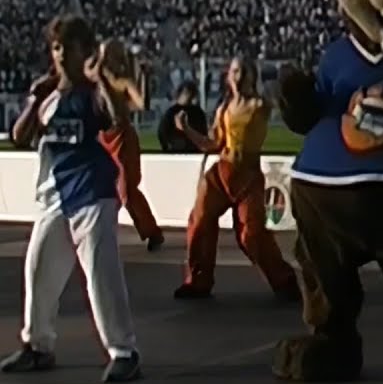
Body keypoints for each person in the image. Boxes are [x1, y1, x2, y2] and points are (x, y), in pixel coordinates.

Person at [0, 14, 142, 383]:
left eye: (71, 48)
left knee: (100, 275)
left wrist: (103, 82)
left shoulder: (93, 93)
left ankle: (123, 351)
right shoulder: (46, 95)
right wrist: (35, 98)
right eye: (57, 47)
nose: (62, 55)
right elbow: (19, 135)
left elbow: (118, 121)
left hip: (92, 194)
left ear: (86, 52)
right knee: (39, 270)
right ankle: (38, 346)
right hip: (54, 198)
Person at [172, 56, 299, 301]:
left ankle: (284, 281)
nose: (238, 77)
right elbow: (213, 144)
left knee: (250, 236)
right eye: (234, 72)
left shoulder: (260, 105)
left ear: (252, 76)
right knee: (199, 222)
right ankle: (197, 281)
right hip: (222, 173)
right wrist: (187, 131)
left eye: (243, 72)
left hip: (248, 177)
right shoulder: (224, 110)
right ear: (228, 77)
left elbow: (281, 100)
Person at [96, 40, 165, 252]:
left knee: (126, 191)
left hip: (122, 139)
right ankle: (100, 233)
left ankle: (152, 231)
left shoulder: (122, 82)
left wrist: (144, 76)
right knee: (100, 189)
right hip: (101, 138)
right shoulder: (93, 83)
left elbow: (141, 103)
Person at [158, 81, 207, 153]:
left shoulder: (198, 112)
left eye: (192, 93)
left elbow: (203, 132)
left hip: (195, 152)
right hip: (177, 152)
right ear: (179, 94)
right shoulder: (172, 112)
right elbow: (162, 132)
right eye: (187, 93)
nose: (189, 96)